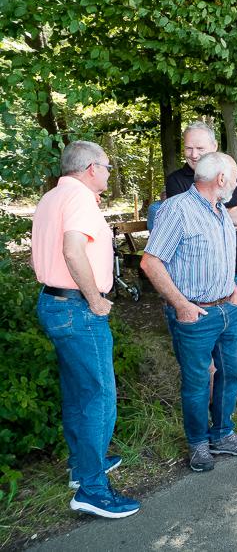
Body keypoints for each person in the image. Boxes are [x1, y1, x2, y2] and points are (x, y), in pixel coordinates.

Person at [33, 141, 140, 518]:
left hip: (54, 303)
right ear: (91, 168)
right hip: (78, 307)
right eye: (108, 166)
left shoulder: (52, 197)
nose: (110, 173)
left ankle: (82, 467)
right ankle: (93, 489)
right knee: (99, 396)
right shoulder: (78, 198)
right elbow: (73, 249)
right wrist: (95, 298)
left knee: (78, 392)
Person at [142, 152, 237, 472]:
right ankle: (198, 444)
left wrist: (233, 294)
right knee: (196, 383)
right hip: (196, 317)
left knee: (230, 375)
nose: (236, 184)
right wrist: (181, 305)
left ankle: (222, 434)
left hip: (228, 310)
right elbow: (150, 262)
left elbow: (223, 257)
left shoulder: (221, 210)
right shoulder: (176, 210)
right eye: (234, 178)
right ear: (221, 179)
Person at [166, 122, 237, 409]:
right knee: (212, 350)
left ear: (214, 147)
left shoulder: (229, 173)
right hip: (206, 279)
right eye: (188, 147)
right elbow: (195, 219)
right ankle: (217, 406)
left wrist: (220, 216)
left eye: (200, 148)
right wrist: (229, 218)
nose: (193, 153)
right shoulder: (177, 180)